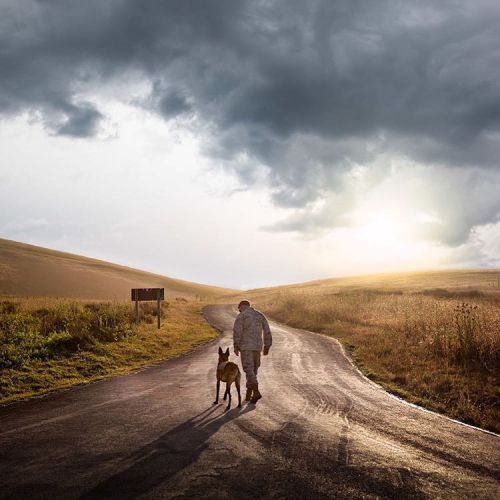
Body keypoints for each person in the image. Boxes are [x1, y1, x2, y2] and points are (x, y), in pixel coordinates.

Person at [233, 300, 272, 404]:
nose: (239, 310)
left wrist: (236, 345)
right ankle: (249, 395)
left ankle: (256, 391)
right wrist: (267, 345)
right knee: (254, 370)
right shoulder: (259, 315)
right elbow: (267, 330)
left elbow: (237, 331)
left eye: (239, 308)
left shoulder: (242, 315)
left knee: (248, 369)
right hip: (257, 347)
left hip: (246, 347)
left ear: (241, 306)